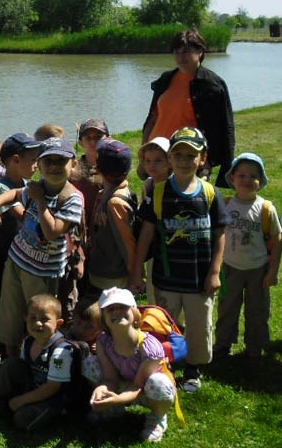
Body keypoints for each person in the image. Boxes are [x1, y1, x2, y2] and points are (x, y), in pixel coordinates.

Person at [130, 127, 229, 393]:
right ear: (170, 159)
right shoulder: (160, 193)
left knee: (199, 325)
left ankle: (194, 369)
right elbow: (147, 233)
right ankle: (164, 365)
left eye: (191, 155)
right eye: (178, 155)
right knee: (163, 324)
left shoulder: (210, 193)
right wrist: (137, 267)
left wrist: (215, 271)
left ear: (203, 158)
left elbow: (220, 233)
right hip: (166, 277)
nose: (184, 161)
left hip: (199, 278)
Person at [0, 137, 84, 355]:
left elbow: (52, 232)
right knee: (10, 316)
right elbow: (17, 193)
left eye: (61, 161)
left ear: (73, 164)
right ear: (38, 164)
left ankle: (38, 360)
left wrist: (40, 201)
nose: (54, 166)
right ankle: (13, 360)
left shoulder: (72, 198)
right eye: (48, 161)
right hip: (17, 261)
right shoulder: (38, 186)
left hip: (42, 273)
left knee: (39, 321)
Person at [142, 28, 235, 185]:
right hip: (158, 156)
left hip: (186, 158)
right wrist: (144, 155)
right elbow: (152, 118)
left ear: (200, 51)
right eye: (176, 52)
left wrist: (208, 163)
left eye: (186, 51)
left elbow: (225, 127)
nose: (180, 57)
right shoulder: (166, 79)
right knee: (156, 204)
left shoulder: (212, 85)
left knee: (187, 205)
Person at [83, 287, 177, 443]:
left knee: (158, 383)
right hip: (124, 383)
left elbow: (138, 386)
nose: (117, 312)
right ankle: (112, 408)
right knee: (89, 364)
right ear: (103, 318)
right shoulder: (104, 342)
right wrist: (102, 389)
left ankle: (157, 417)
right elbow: (110, 379)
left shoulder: (149, 346)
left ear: (134, 313)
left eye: (123, 307)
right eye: (111, 309)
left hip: (147, 391)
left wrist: (118, 398)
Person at [215, 153, 282, 359]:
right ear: (232, 178)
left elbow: (277, 242)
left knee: (258, 311)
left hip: (258, 269)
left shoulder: (265, 209)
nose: (246, 180)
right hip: (230, 267)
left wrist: (272, 272)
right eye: (241, 175)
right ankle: (223, 343)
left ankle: (255, 346)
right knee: (227, 308)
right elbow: (216, 237)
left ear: (260, 181)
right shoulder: (225, 204)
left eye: (253, 176)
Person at [0, 133, 41, 370]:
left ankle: (18, 343)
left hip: (22, 258)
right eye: (34, 160)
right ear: (16, 160)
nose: (37, 165)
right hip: (3, 257)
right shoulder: (1, 188)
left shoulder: (26, 185)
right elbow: (27, 217)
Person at [0, 294, 81, 429]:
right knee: (11, 363)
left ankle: (58, 414)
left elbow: (53, 387)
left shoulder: (61, 351)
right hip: (33, 387)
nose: (38, 323)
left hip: (53, 397)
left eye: (45, 319)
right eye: (32, 318)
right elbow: (22, 369)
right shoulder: (28, 341)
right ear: (25, 319)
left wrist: (22, 400)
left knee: (22, 419)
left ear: (58, 323)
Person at [85, 138, 138, 299]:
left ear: (99, 168)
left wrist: (134, 274)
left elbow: (126, 242)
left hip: (112, 276)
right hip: (103, 271)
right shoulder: (106, 194)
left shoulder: (115, 202)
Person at [137, 136, 172, 302]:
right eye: (148, 160)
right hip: (153, 248)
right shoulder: (148, 185)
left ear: (169, 161)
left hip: (172, 245)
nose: (152, 165)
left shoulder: (175, 184)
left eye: (158, 160)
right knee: (153, 289)